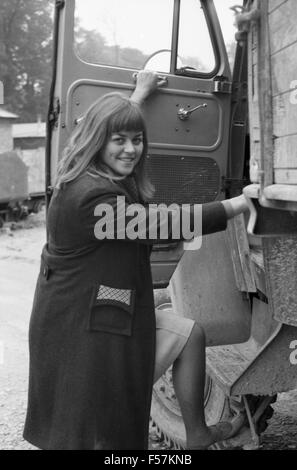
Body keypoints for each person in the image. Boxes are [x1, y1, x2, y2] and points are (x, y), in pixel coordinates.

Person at [23, 70, 249, 450]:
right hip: (80, 332)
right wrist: (240, 203)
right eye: (119, 140)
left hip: (108, 309)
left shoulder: (96, 172)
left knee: (189, 334)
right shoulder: (90, 197)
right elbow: (164, 224)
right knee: (94, 435)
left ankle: (198, 435)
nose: (131, 149)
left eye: (137, 140)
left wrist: (138, 97)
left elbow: (105, 126)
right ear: (98, 141)